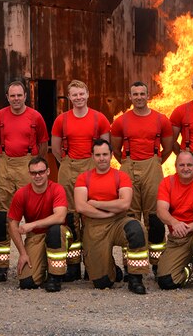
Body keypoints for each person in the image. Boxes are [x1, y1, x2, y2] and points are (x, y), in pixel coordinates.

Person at [0, 80, 50, 282]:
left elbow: (43, 143)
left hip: (27, 164)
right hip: (5, 164)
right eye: (12, 96)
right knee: (1, 216)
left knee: (34, 211)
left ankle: (37, 257)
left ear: (25, 96)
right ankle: (1, 265)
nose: (16, 99)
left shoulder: (36, 117)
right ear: (7, 97)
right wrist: (4, 159)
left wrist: (33, 164)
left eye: (19, 95)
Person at [50, 80, 111, 280]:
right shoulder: (61, 120)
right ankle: (73, 265)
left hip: (92, 167)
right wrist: (67, 164)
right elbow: (56, 149)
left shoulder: (99, 118)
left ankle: (93, 261)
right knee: (70, 216)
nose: (78, 98)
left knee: (92, 213)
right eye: (74, 95)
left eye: (81, 94)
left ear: (87, 94)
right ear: (69, 98)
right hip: (69, 166)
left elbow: (105, 149)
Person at [110, 81, 174, 271]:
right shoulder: (121, 121)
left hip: (153, 166)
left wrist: (155, 163)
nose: (139, 97)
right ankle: (131, 264)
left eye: (142, 94)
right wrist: (127, 164)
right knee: (129, 216)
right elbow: (115, 149)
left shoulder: (161, 119)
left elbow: (168, 147)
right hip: (128, 166)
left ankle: (157, 264)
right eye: (135, 94)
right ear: (130, 97)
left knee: (155, 216)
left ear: (148, 96)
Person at [74, 139, 149, 294]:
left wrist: (96, 203)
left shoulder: (121, 176)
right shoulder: (84, 178)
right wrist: (107, 211)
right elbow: (81, 206)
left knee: (136, 229)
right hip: (94, 227)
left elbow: (124, 204)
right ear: (92, 156)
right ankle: (113, 270)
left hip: (118, 222)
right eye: (98, 155)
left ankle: (135, 278)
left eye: (105, 154)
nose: (102, 158)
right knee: (102, 283)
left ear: (111, 155)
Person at [154, 150, 193, 293]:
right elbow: (161, 211)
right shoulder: (166, 183)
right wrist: (175, 223)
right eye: (181, 165)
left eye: (189, 165)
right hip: (178, 238)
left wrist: (189, 227)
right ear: (175, 167)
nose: (186, 168)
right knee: (166, 281)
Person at [7, 156, 69, 292]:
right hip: (35, 238)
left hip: (57, 234)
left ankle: (55, 276)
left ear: (48, 172)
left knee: (55, 230)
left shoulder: (57, 189)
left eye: (41, 172)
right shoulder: (21, 194)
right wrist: (23, 253)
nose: (38, 176)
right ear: (29, 174)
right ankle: (44, 266)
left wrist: (33, 224)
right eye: (34, 173)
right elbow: (12, 224)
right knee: (27, 282)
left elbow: (60, 216)